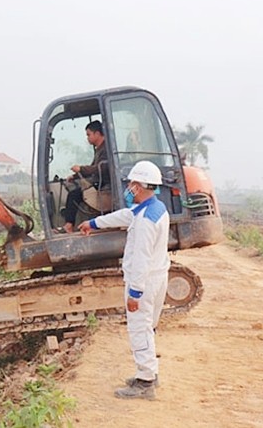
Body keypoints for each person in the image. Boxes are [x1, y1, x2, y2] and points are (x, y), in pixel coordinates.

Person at [78, 160, 169, 400]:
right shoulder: (154, 209)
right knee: (148, 327)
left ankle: (145, 382)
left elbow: (140, 259)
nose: (129, 187)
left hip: (144, 281)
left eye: (131, 184)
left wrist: (135, 294)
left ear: (139, 186)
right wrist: (94, 223)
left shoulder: (145, 222)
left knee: (139, 329)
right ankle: (150, 373)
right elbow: (124, 216)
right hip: (157, 276)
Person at [62, 120, 109, 233]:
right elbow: (93, 169)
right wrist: (75, 176)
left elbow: (100, 168)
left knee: (74, 194)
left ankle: (69, 225)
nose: (87, 138)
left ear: (97, 134)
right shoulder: (100, 149)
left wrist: (81, 169)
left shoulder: (106, 150)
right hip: (99, 182)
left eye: (89, 135)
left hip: (104, 183)